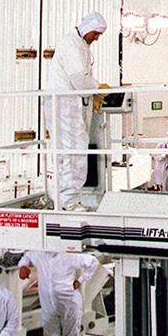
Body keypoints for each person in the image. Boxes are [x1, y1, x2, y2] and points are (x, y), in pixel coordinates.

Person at [46, 12, 107, 211]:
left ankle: (66, 200)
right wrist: (97, 89)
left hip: (72, 103)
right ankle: (68, 202)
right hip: (65, 104)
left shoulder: (80, 45)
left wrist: (93, 94)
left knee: (72, 151)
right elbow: (79, 78)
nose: (97, 38)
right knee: (74, 150)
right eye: (96, 34)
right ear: (88, 29)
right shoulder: (71, 45)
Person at [18, 249, 101, 336]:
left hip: (69, 303)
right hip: (48, 304)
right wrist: (23, 266)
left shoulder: (69, 255)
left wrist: (81, 280)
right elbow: (27, 256)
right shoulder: (39, 254)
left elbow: (93, 262)